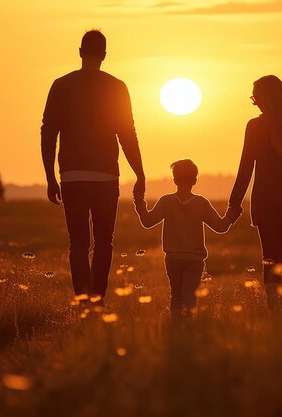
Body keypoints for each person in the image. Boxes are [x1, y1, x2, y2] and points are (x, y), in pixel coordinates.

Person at [40, 29, 146, 302]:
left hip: (72, 177)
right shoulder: (117, 87)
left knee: (78, 244)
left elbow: (48, 133)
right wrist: (140, 172)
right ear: (104, 55)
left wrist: (50, 177)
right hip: (106, 177)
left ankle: (83, 303)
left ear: (79, 52)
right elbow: (127, 133)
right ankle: (96, 301)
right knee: (103, 244)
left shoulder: (61, 85)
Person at [228, 75, 282, 307]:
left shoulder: (255, 127)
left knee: (271, 256)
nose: (255, 102)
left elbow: (246, 167)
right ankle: (281, 305)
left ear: (266, 98)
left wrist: (234, 202)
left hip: (267, 203)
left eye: (256, 97)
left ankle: (275, 306)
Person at [134, 159, 236, 319]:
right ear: (195, 181)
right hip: (194, 259)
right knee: (189, 295)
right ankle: (189, 325)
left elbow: (147, 222)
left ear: (174, 180)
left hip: (173, 259)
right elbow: (221, 226)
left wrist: (139, 202)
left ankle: (176, 325)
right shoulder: (201, 203)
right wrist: (233, 213)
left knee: (176, 295)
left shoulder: (166, 201)